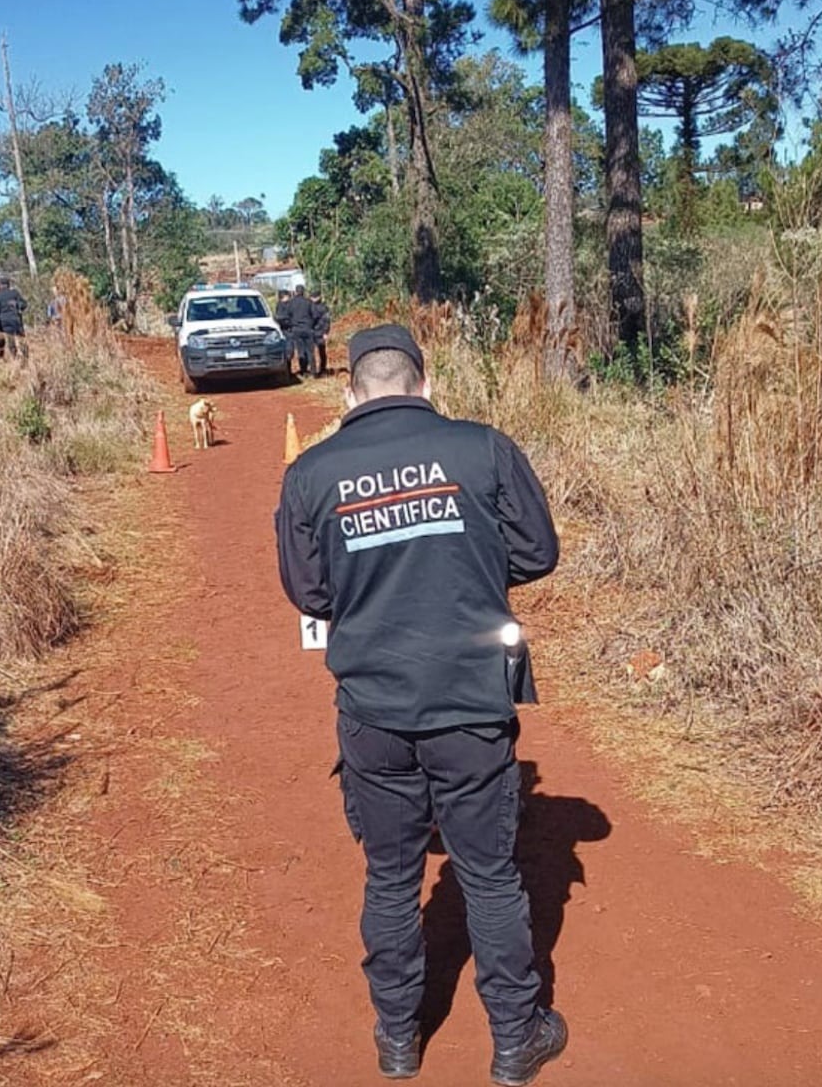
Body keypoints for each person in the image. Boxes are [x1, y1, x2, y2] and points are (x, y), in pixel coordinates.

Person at [275, 325, 567, 1086]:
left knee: (391, 877)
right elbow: (537, 552)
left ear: (350, 393)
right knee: (491, 875)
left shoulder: (310, 474)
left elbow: (308, 592)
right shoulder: (484, 449)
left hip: (373, 707)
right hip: (471, 703)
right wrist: (463, 557)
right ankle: (515, 1039)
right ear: (424, 384)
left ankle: (398, 1040)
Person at [0, 275, 29, 365]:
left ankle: (14, 356)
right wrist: (18, 308)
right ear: (9, 284)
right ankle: (25, 358)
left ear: (0, 285)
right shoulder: (14, 293)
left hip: (4, 321)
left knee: (10, 340)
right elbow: (24, 304)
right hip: (16, 319)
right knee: (21, 338)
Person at [285, 284, 319, 378]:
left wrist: (293, 323)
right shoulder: (308, 302)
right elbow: (315, 315)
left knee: (300, 351)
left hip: (296, 329)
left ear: (296, 292)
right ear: (303, 292)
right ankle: (313, 372)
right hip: (308, 329)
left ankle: (303, 371)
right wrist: (311, 324)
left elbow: (287, 315)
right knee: (310, 352)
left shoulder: (291, 303)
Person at [312, 292, 332, 376]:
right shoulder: (311, 306)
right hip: (313, 332)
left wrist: (325, 332)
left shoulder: (323, 307)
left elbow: (327, 321)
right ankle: (315, 370)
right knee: (314, 352)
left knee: (321, 352)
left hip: (319, 332)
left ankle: (322, 370)